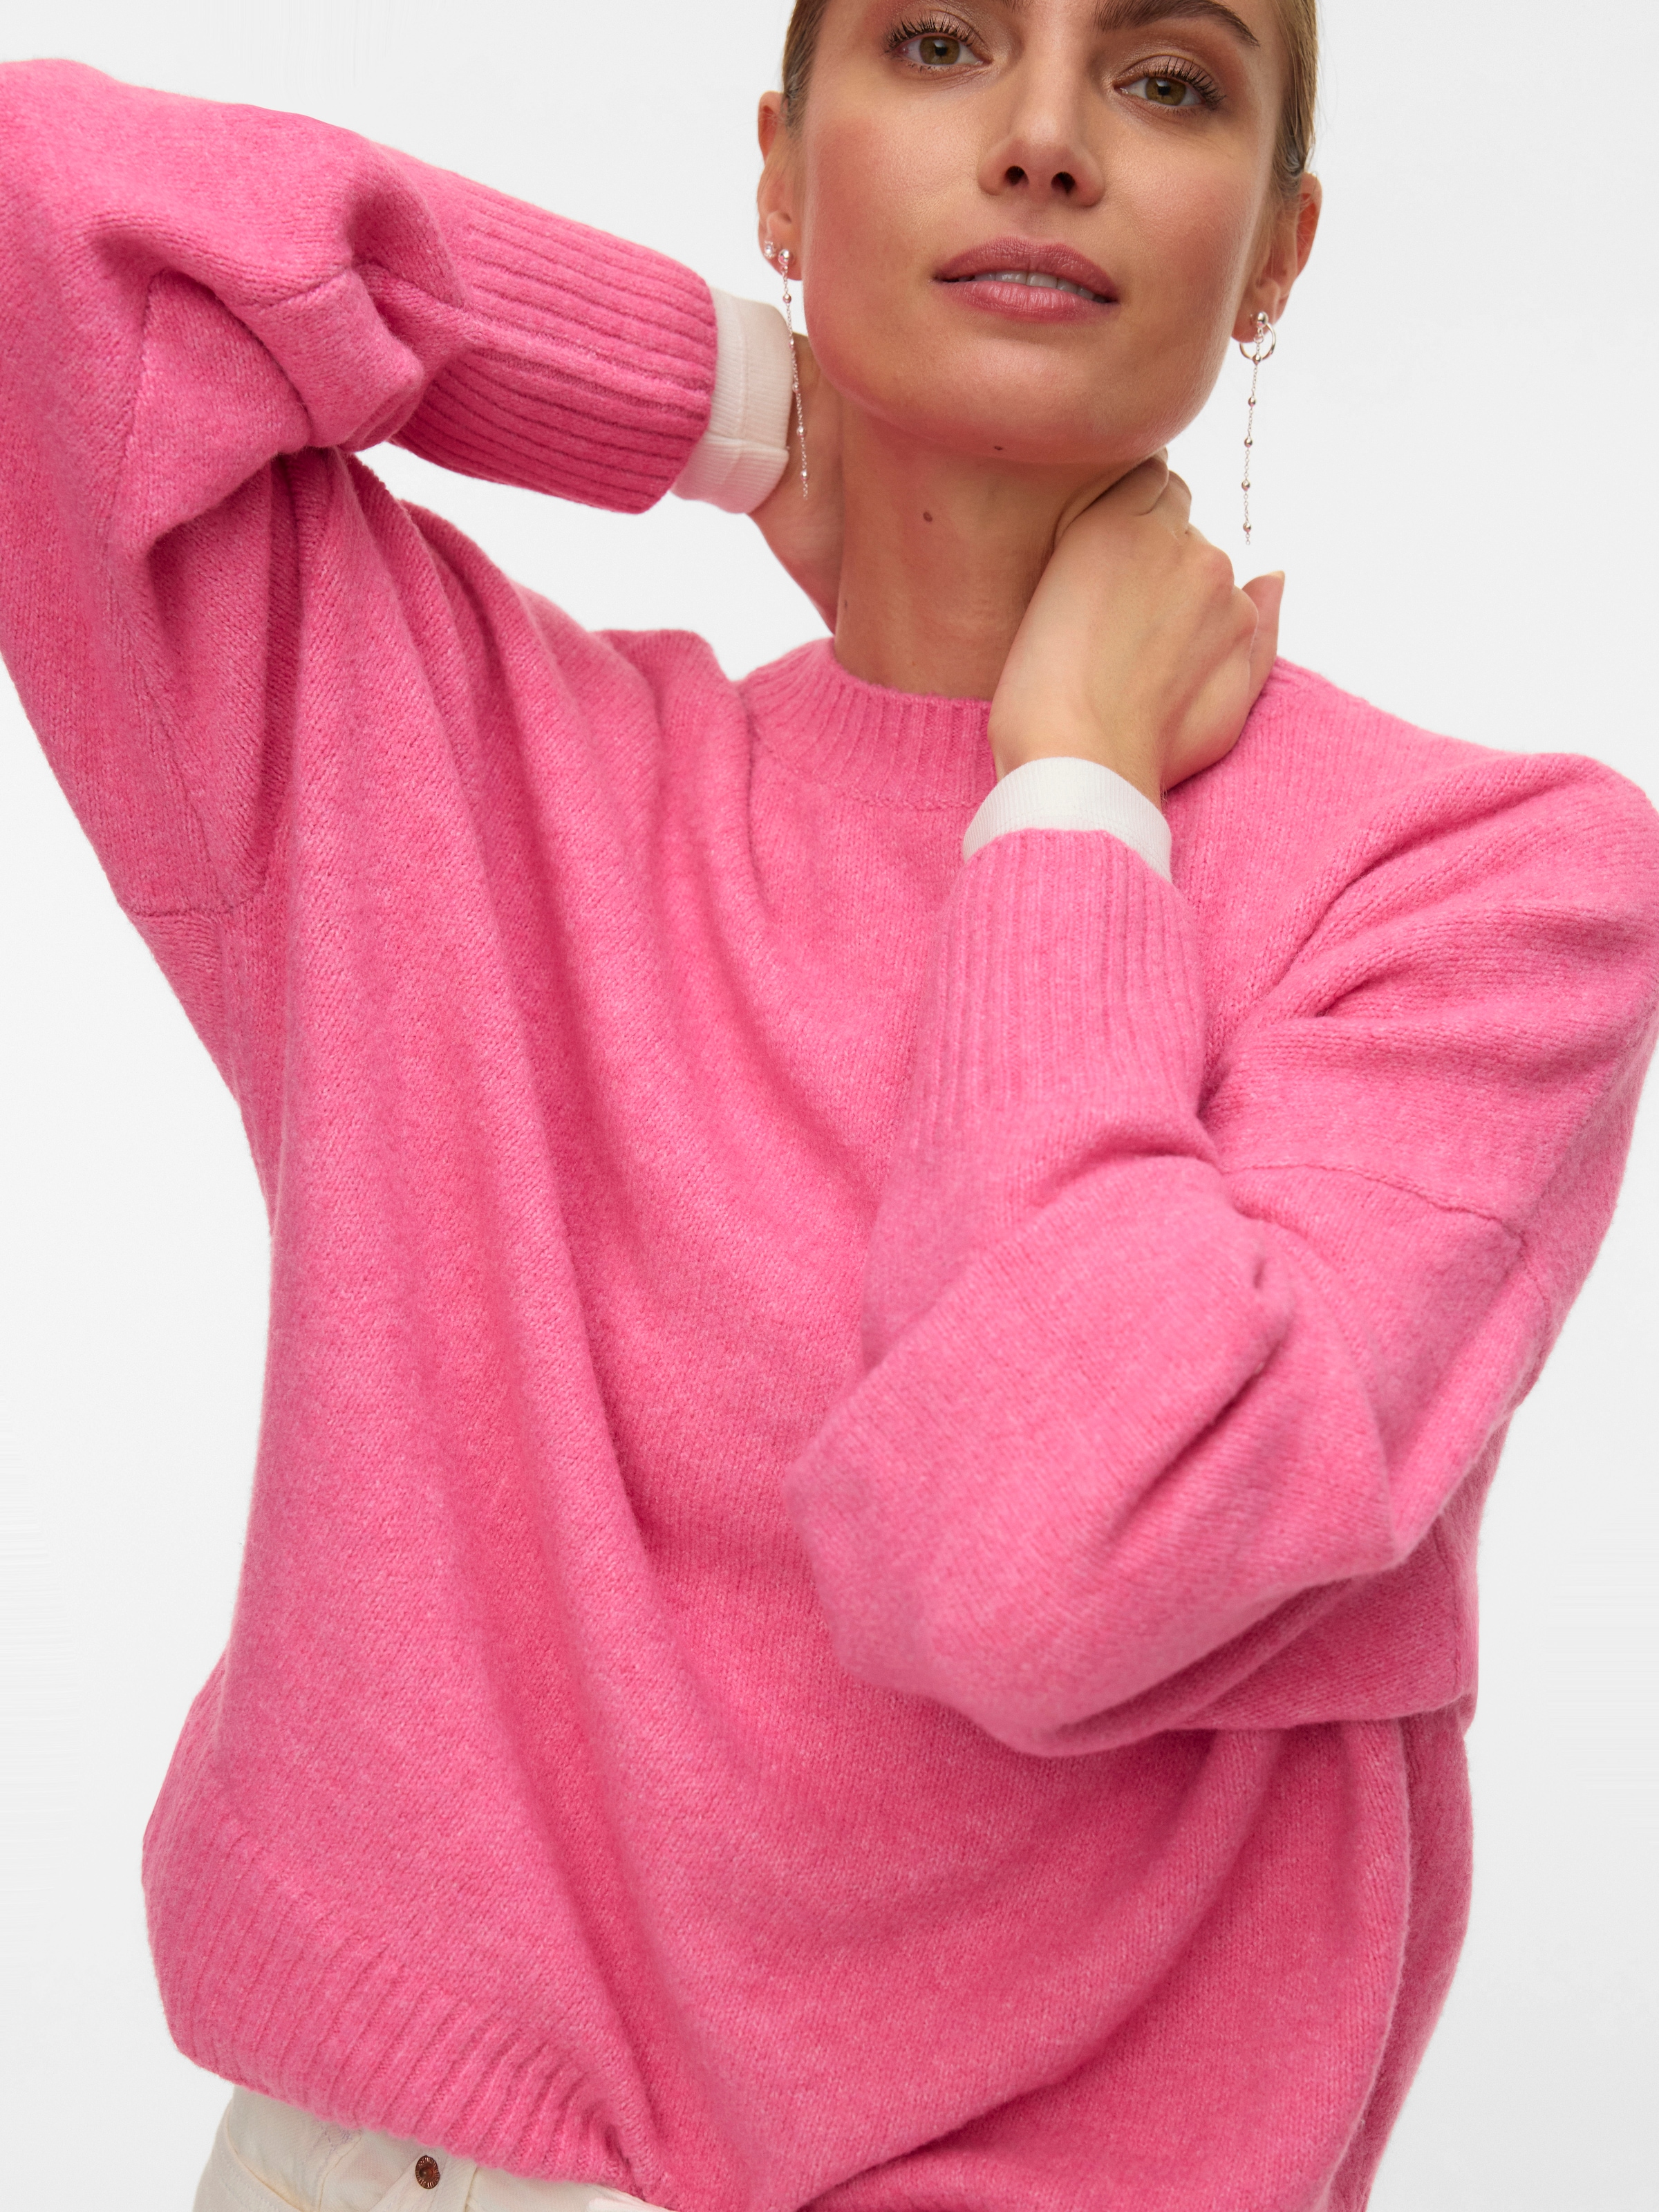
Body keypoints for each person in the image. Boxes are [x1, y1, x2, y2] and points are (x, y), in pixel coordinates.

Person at [1, 4, 1656, 2209]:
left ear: (1278, 251)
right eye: (942, 43)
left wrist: (1071, 794)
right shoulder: (463, 772)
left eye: (1168, 80)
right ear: (782, 174)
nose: (1046, 139)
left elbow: (1041, 1566)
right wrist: (728, 405)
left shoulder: (1478, 886)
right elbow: (45, 219)